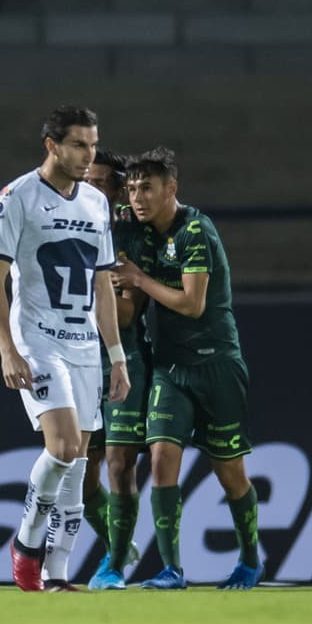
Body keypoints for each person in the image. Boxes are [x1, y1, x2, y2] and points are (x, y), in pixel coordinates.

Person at [0, 105, 130, 592]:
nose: (89, 155)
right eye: (79, 145)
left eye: (93, 144)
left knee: (77, 462)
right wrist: (7, 349)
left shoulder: (96, 203)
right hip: (38, 341)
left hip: (84, 345)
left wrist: (116, 356)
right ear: (51, 145)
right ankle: (26, 544)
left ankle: (57, 572)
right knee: (62, 446)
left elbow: (102, 283)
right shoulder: (17, 196)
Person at [112, 147, 263, 590]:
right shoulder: (143, 228)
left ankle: (250, 560)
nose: (137, 197)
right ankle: (171, 570)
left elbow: (194, 304)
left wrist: (139, 279)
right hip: (170, 367)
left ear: (171, 188)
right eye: (132, 189)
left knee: (230, 474)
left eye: (147, 188)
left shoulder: (195, 229)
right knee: (161, 458)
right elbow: (106, 208)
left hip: (216, 364)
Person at [81, 149, 150, 590]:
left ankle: (114, 565)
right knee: (80, 477)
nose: (90, 188)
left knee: (120, 465)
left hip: (124, 360)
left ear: (118, 190)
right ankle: (119, 542)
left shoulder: (132, 238)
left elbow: (125, 314)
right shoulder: (66, 228)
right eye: (85, 180)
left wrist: (83, 289)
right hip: (79, 360)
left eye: (100, 182)